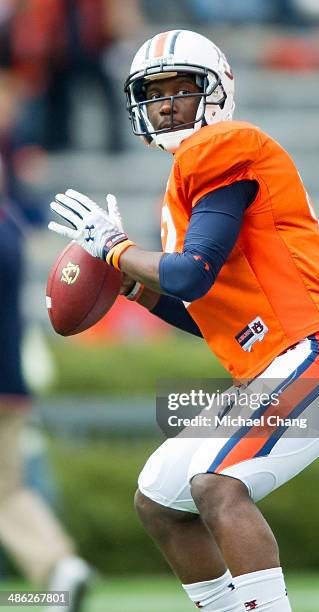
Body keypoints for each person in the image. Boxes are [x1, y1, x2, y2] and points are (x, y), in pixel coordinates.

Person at [48, 30, 319, 612]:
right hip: (281, 360)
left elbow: (190, 271)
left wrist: (117, 250)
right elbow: (211, 310)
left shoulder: (224, 146)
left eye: (182, 88)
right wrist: (137, 289)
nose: (168, 103)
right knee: (160, 496)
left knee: (218, 486)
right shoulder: (190, 182)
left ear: (217, 92)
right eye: (154, 94)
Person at [0, 70, 90, 612]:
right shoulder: (10, 222)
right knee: (8, 491)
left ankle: (55, 571)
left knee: (7, 493)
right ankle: (57, 573)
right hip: (11, 375)